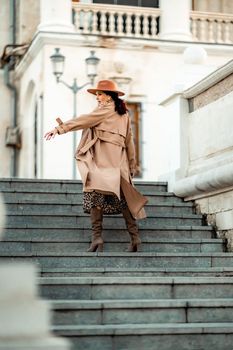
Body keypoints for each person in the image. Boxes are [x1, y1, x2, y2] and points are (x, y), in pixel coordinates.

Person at [44, 80, 148, 253]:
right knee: (125, 200)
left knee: (94, 195)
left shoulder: (104, 110)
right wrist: (131, 164)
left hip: (101, 161)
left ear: (109, 96)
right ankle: (135, 237)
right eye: (97, 94)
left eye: (100, 94)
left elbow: (84, 120)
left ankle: (97, 238)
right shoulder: (125, 114)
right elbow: (130, 142)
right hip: (119, 164)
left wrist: (59, 129)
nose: (97, 97)